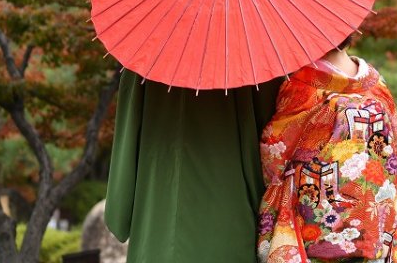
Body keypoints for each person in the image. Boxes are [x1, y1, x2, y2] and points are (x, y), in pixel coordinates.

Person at [104, 72, 283, 262]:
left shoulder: (146, 56)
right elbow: (273, 142)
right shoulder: (253, 57)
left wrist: (120, 208)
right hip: (231, 214)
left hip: (157, 217)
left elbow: (128, 134)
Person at [257, 36, 397, 263]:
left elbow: (274, 151)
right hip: (376, 218)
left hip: (319, 220)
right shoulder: (377, 86)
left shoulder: (301, 85)